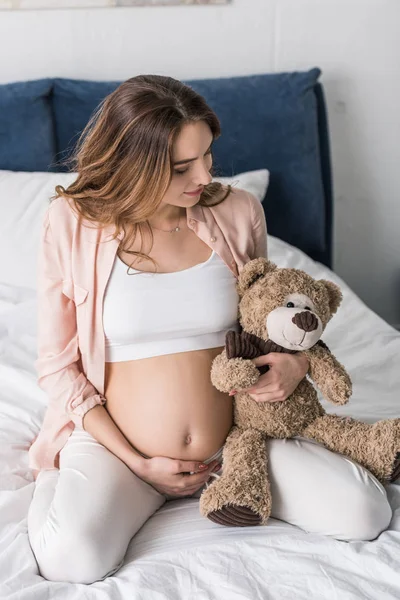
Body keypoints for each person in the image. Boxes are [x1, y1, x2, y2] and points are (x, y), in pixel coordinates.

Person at [27, 74, 392, 584]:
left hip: (239, 439)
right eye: (182, 167)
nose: (203, 175)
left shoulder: (237, 211)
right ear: (135, 164)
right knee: (73, 559)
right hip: (125, 452)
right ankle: (61, 473)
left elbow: (273, 322)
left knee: (365, 513)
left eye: (207, 156)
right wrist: (138, 462)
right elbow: (57, 364)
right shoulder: (71, 222)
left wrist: (296, 362)